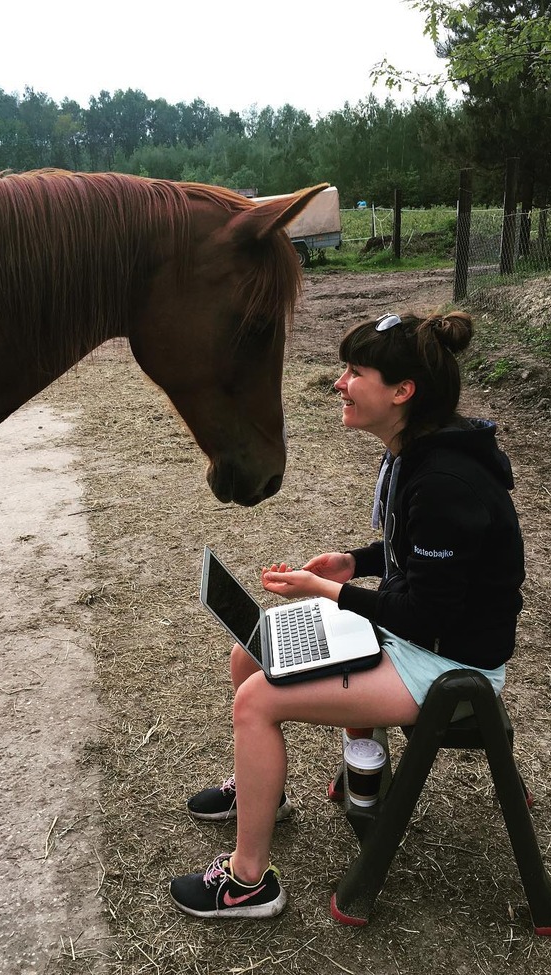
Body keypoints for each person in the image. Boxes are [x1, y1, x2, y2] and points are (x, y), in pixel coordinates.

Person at [169, 310, 525, 920]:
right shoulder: (420, 450)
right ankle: (264, 791)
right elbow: (423, 555)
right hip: (424, 635)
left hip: (444, 661)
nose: (340, 383)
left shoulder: (444, 478)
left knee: (256, 700)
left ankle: (249, 882)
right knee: (248, 650)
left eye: (355, 372)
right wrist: (353, 561)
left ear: (402, 392)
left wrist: (324, 592)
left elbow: (423, 610)